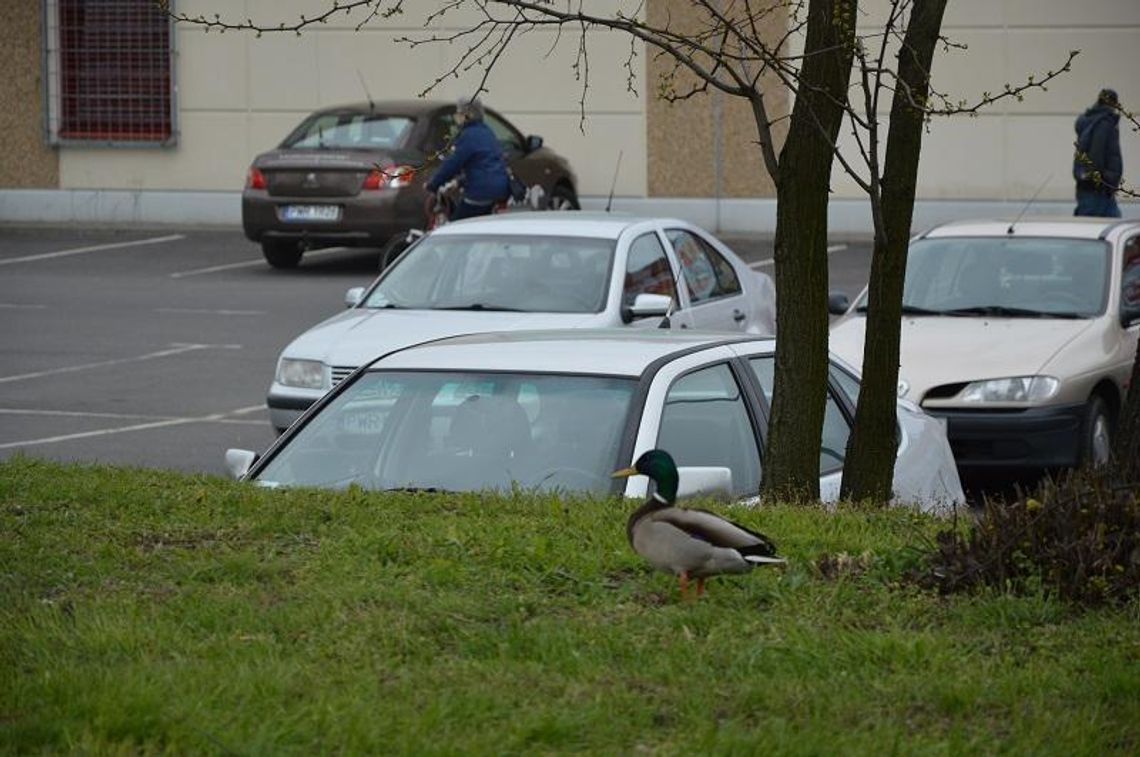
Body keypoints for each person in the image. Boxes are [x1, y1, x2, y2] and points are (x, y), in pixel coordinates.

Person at [425, 97, 510, 221]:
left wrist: (433, 184)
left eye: (459, 113)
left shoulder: (469, 135)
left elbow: (453, 163)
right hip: (500, 189)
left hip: (482, 192)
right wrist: (460, 182)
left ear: (468, 115)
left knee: (457, 226)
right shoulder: (487, 132)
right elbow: (483, 165)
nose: (456, 117)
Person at [1072, 88, 1123, 218]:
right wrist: (1105, 181)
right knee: (1099, 227)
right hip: (1099, 190)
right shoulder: (1103, 123)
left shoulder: (1091, 121)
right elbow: (1097, 156)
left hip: (1092, 188)